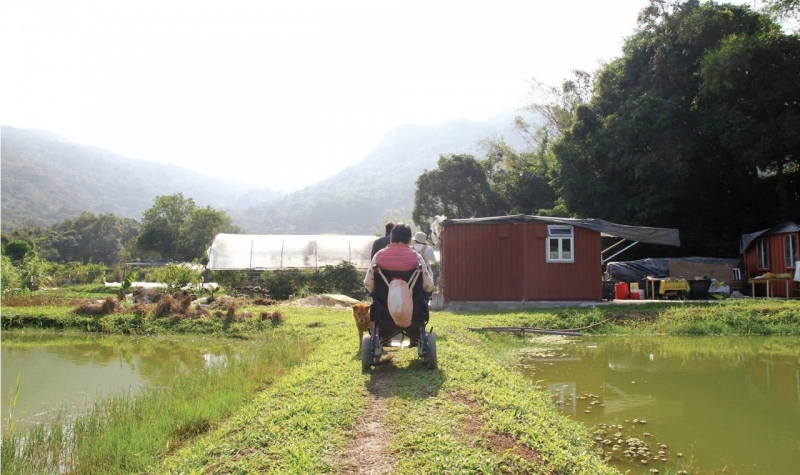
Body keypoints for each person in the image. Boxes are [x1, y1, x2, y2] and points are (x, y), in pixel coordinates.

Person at [364, 223, 434, 294]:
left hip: (382, 304)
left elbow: (368, 284)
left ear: (391, 239)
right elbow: (428, 286)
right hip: (413, 303)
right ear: (409, 241)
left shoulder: (378, 256)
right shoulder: (417, 257)